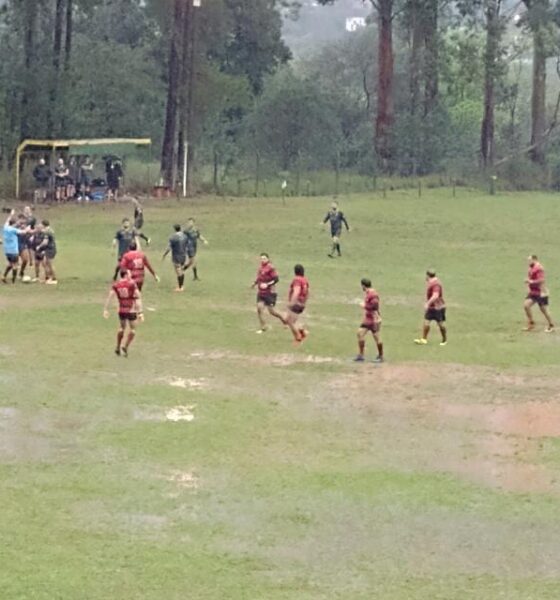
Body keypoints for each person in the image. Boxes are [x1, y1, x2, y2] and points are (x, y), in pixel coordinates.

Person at [103, 269, 143, 357]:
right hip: (131, 309)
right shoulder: (132, 284)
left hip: (121, 310)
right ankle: (125, 346)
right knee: (133, 329)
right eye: (129, 274)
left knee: (122, 328)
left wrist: (106, 309)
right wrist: (140, 312)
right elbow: (138, 296)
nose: (130, 275)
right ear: (125, 275)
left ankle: (117, 346)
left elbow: (110, 296)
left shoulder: (116, 285)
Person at [251, 253, 285, 333]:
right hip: (261, 293)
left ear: (268, 259)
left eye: (264, 258)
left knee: (272, 311)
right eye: (261, 258)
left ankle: (284, 320)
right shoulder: (260, 268)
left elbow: (276, 279)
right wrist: (254, 283)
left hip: (270, 293)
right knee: (259, 309)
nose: (263, 260)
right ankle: (263, 327)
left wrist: (267, 284)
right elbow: (259, 278)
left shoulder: (271, 268)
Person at [414, 269, 447, 346]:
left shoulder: (436, 284)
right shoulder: (432, 283)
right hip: (432, 307)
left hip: (437, 308)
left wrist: (427, 303)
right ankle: (424, 339)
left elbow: (435, 295)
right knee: (426, 322)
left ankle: (444, 339)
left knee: (440, 324)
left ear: (428, 275)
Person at [355, 278, 384, 363]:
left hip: (373, 319)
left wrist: (364, 306)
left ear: (363, 286)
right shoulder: (369, 293)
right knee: (360, 333)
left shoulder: (373, 294)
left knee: (377, 337)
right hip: (368, 319)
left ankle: (380, 356)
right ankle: (361, 355)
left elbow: (374, 306)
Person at [524, 255, 554, 332]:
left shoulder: (539, 268)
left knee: (544, 310)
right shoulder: (531, 268)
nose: (528, 262)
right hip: (533, 292)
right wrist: (529, 285)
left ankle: (551, 325)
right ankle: (531, 323)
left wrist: (531, 281)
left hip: (541, 292)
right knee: (526, 306)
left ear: (534, 259)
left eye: (529, 260)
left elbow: (541, 280)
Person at [284, 264, 310, 344]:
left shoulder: (297, 280)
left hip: (296, 303)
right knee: (288, 320)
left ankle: (299, 336)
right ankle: (301, 331)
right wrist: (304, 302)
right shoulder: (305, 280)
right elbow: (308, 292)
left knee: (290, 321)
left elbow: (296, 291)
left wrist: (292, 302)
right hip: (301, 303)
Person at [162, 224, 189, 292]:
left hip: (176, 256)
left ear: (174, 229)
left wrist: (164, 255)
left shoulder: (173, 237)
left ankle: (180, 287)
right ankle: (182, 285)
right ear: (180, 228)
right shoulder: (185, 236)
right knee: (181, 270)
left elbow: (168, 248)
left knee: (178, 271)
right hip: (183, 255)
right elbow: (187, 245)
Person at [2, 210, 21, 284]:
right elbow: (23, 232)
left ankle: (4, 276)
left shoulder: (5, 227)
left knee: (10, 263)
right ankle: (13, 280)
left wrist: (11, 214)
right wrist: (28, 229)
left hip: (7, 251)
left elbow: (7, 220)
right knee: (15, 265)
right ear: (14, 224)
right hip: (14, 250)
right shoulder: (14, 230)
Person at [36, 219, 58, 284]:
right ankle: (48, 278)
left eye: (41, 224)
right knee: (46, 263)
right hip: (51, 248)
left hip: (50, 249)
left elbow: (45, 242)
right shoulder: (50, 230)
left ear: (43, 225)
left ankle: (54, 279)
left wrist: (39, 246)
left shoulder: (47, 232)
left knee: (50, 264)